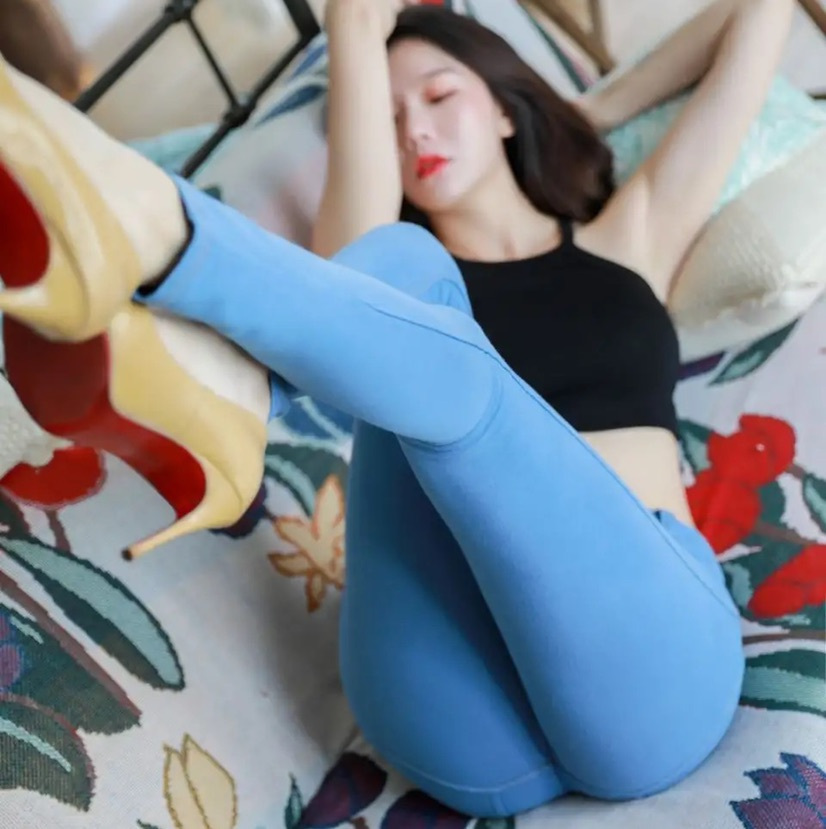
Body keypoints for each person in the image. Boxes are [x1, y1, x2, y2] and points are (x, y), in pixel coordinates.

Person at [0, 0, 794, 817]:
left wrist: (587, 108)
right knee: (399, 276)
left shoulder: (627, 242)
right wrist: (352, 27)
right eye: (388, 119)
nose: (415, 130)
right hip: (454, 702)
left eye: (441, 96)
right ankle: (200, 310)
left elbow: (761, 15)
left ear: (505, 106)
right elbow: (359, 264)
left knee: (419, 319)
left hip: (647, 668)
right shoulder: (386, 268)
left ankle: (186, 282)